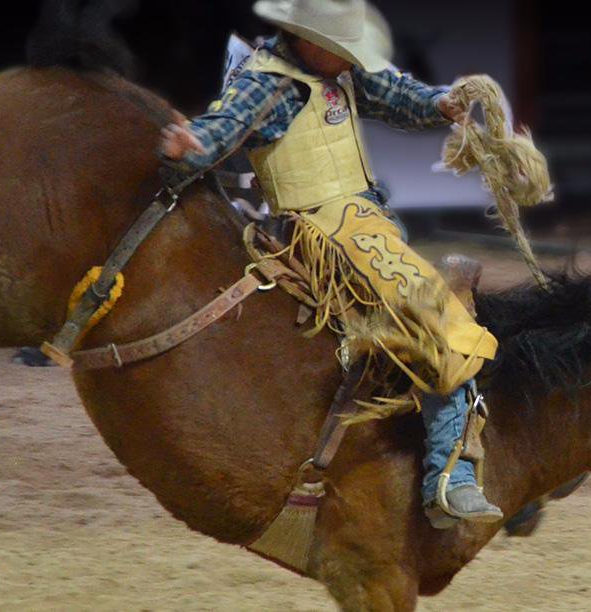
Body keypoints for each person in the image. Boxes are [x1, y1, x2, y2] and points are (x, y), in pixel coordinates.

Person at [159, 0, 502, 526]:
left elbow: (395, 93)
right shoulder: (267, 85)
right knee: (438, 319)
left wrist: (439, 104)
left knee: (428, 312)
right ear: (309, 42)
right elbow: (224, 127)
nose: (351, 60)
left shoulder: (337, 72)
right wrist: (194, 144)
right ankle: (448, 477)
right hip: (321, 231)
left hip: (365, 222)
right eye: (342, 50)